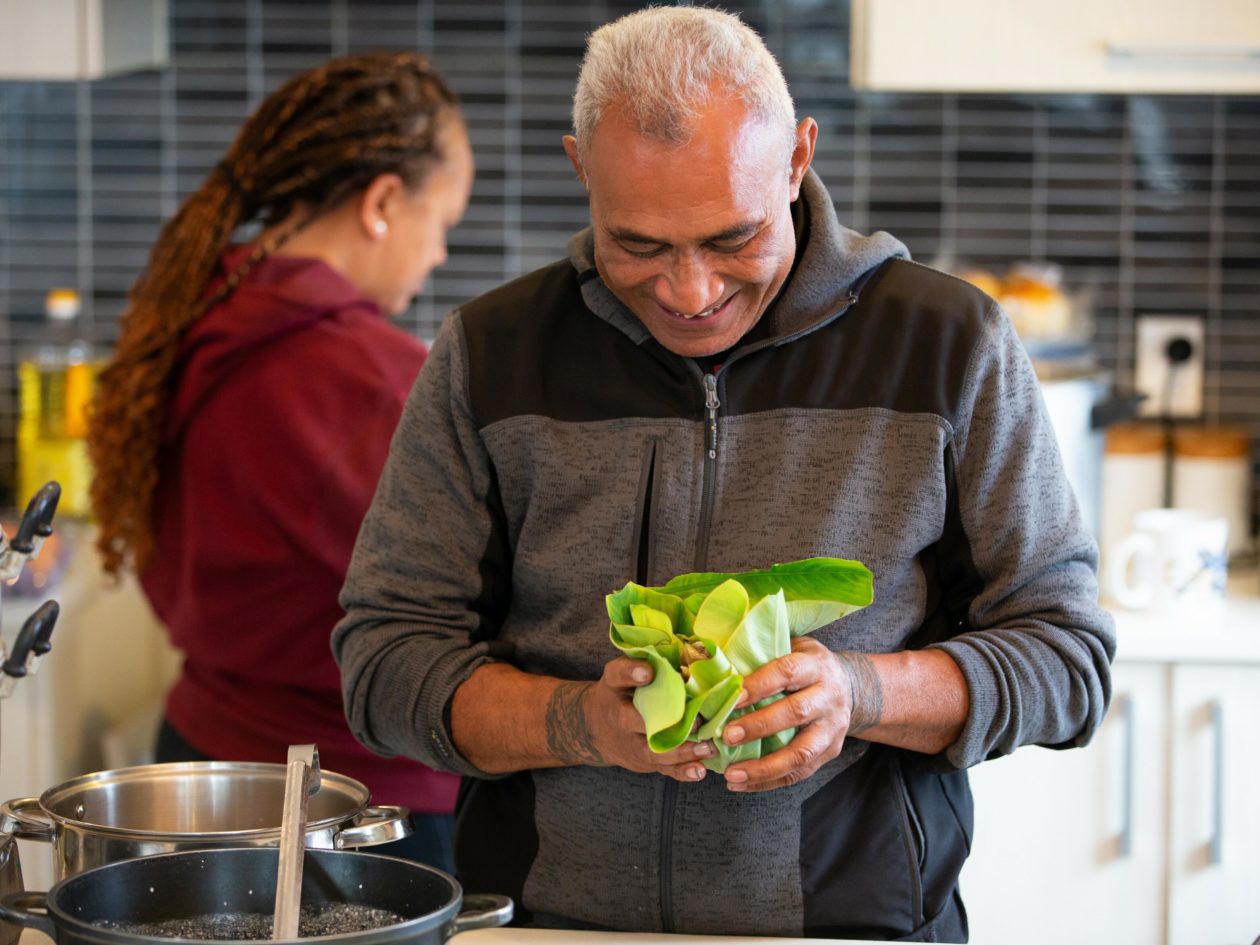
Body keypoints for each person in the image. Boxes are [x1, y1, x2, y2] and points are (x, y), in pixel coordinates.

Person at [334, 8, 1114, 940]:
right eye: (640, 245)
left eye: (733, 238)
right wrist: (581, 722)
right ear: (581, 168)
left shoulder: (951, 346)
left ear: (796, 159)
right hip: (549, 926)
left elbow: (1068, 658)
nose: (690, 293)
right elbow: (383, 665)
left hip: (857, 929)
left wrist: (860, 695)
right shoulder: (488, 356)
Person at [87, 51, 474, 874]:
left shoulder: (191, 318)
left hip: (199, 766)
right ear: (382, 204)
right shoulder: (374, 381)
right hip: (353, 810)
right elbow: (462, 611)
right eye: (443, 223)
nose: (440, 253)